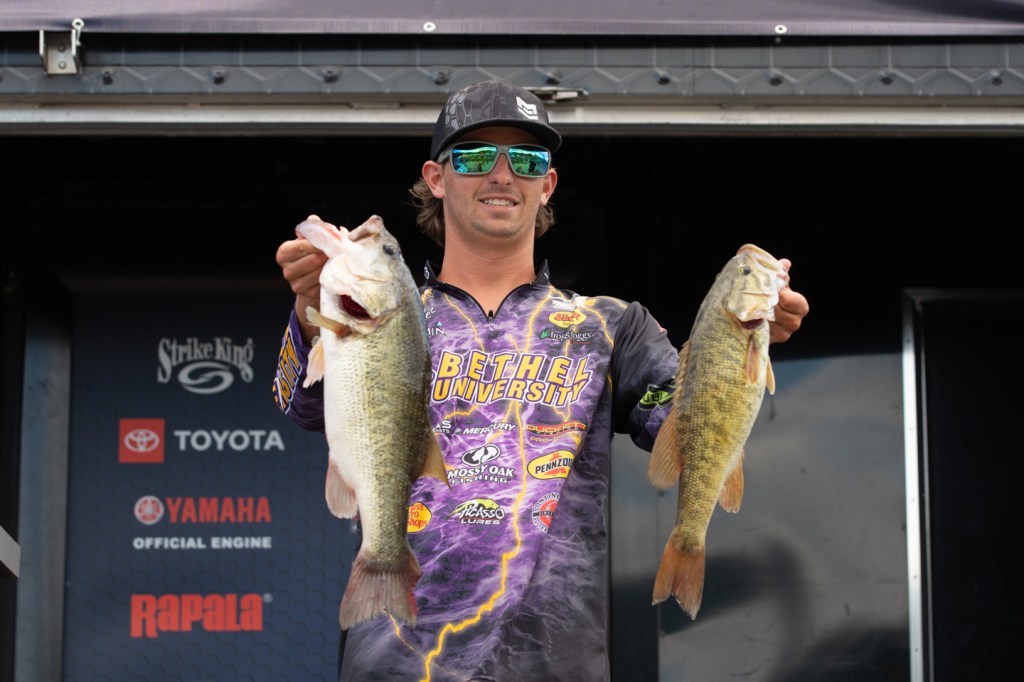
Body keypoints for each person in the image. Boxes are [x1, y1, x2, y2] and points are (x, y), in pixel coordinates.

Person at [272, 79, 810, 681]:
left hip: (555, 662)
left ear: (547, 184)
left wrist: (740, 341)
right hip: (396, 664)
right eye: (476, 157)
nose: (502, 175)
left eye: (526, 161)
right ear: (436, 178)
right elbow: (301, 404)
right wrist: (311, 312)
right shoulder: (387, 313)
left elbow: (681, 423)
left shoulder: (613, 325)